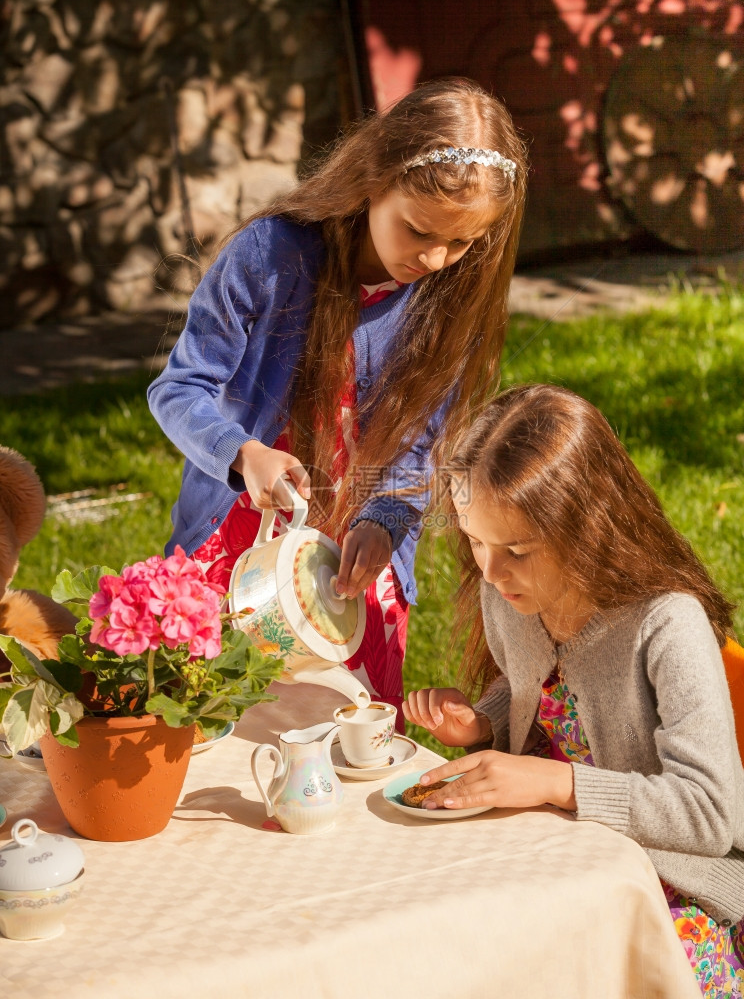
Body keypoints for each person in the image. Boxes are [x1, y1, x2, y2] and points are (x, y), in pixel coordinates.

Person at [148, 79, 527, 723]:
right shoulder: (271, 254)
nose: (435, 258)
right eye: (417, 231)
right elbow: (178, 389)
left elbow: (428, 442)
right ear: (374, 180)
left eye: (461, 243)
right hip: (237, 542)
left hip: (356, 558)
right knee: (215, 719)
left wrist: (385, 521)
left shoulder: (449, 292)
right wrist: (242, 453)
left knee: (343, 735)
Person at [403, 383, 744, 996]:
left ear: (588, 525)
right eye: (475, 540)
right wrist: (481, 720)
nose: (490, 570)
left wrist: (557, 783)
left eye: (516, 550)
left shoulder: (666, 624)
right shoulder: (508, 594)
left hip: (669, 891)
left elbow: (712, 814)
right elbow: (547, 694)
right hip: (556, 854)